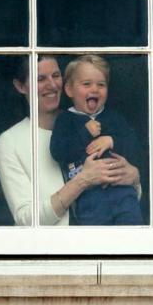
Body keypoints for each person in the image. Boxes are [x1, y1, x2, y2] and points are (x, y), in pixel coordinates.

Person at [0, 55, 141, 226]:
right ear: (20, 86)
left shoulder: (94, 120)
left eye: (56, 76)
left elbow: (132, 192)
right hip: (55, 248)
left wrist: (135, 178)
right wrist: (83, 180)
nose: (52, 85)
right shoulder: (10, 142)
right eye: (40, 78)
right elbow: (26, 219)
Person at [50, 55, 143, 225]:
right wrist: (84, 133)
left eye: (101, 84)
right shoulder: (66, 120)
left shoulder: (114, 118)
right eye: (86, 84)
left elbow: (134, 146)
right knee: (95, 243)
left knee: (133, 238)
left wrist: (112, 140)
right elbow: (58, 151)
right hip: (89, 196)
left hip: (123, 191)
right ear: (69, 90)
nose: (94, 89)